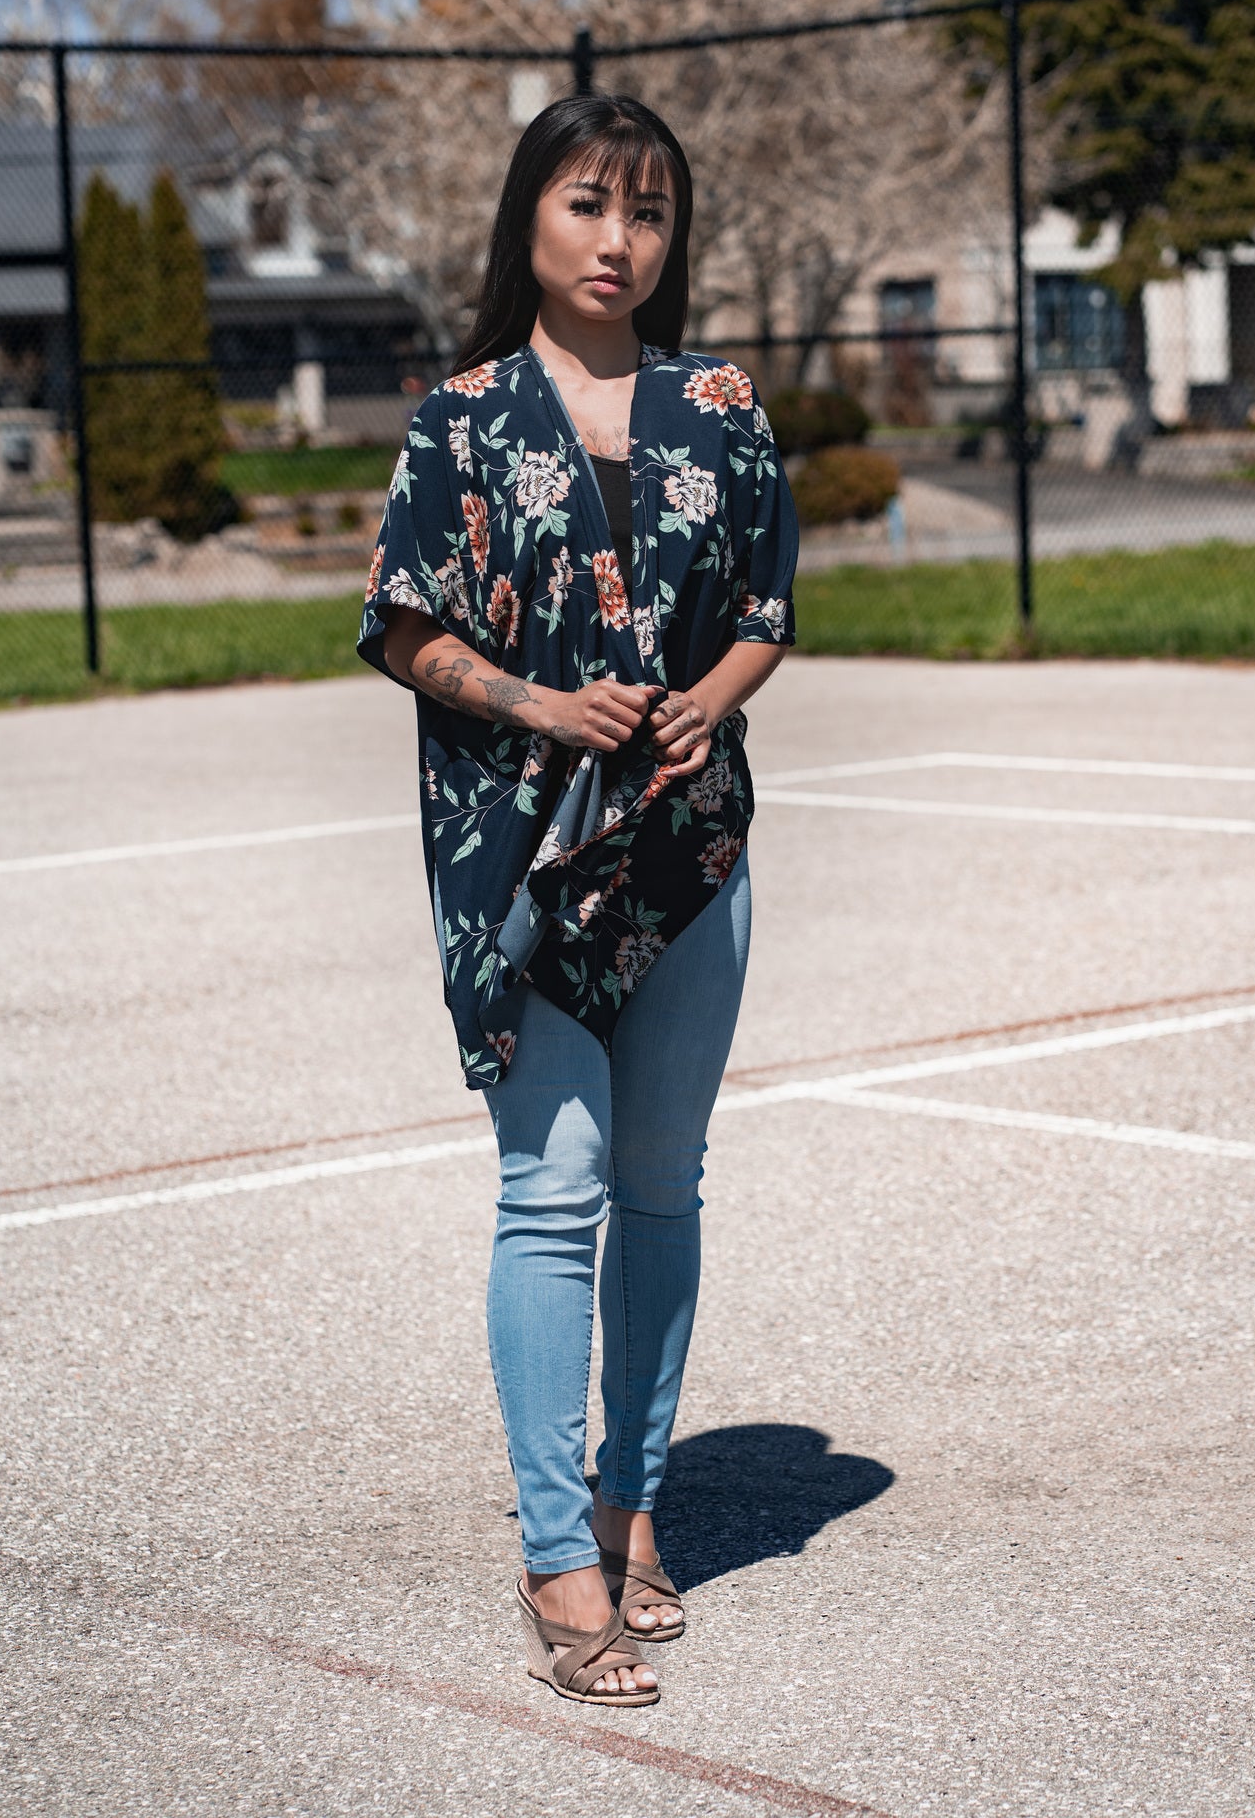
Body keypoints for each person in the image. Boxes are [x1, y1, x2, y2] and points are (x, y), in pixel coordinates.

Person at [357, 94, 798, 1706]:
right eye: (588, 206)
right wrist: (543, 708)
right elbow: (404, 627)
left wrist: (709, 696)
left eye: (650, 214)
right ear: (527, 223)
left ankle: (633, 1510)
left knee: (665, 1187)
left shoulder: (721, 403)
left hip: (690, 855)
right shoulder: (458, 419)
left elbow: (765, 605)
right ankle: (555, 1551)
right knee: (555, 1191)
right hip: (525, 861)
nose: (619, 242)